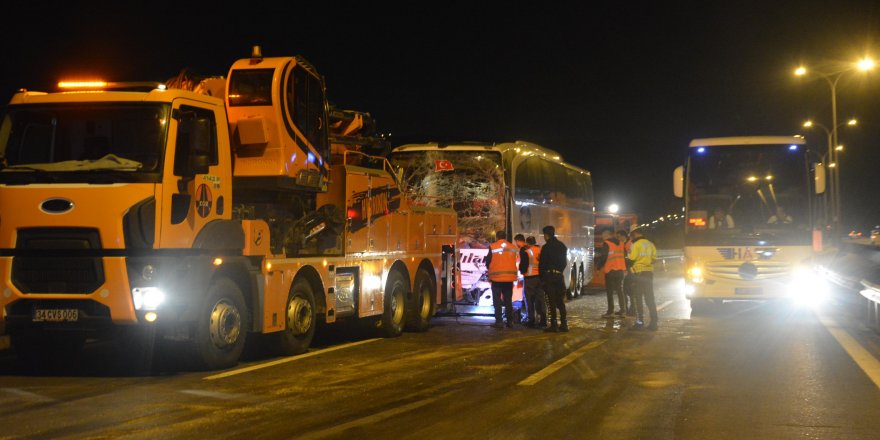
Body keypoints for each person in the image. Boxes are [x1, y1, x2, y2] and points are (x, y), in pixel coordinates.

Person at [484, 230, 519, 328]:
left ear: (497, 237)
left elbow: (488, 261)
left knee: (497, 301)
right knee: (508, 301)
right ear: (505, 236)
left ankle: (499, 322)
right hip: (509, 279)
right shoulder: (513, 247)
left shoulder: (493, 246)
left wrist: (490, 269)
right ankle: (510, 321)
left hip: (496, 279)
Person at [627, 226, 658, 331]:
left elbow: (631, 259)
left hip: (638, 274)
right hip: (649, 274)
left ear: (634, 234)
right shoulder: (650, 244)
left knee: (638, 299)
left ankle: (640, 323)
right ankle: (654, 323)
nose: (630, 238)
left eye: (631, 235)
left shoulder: (635, 245)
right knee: (650, 299)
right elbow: (654, 260)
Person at [540, 225, 569, 332]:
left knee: (551, 301)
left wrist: (542, 278)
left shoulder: (546, 247)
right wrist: (559, 271)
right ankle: (564, 323)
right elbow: (564, 263)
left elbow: (542, 264)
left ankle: (554, 324)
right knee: (560, 301)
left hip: (549, 276)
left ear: (546, 235)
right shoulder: (562, 246)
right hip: (559, 276)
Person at [598, 229, 627, 318]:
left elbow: (604, 257)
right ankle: (623, 311)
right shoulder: (621, 243)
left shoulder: (607, 243)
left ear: (607, 235)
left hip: (610, 270)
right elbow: (624, 255)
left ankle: (610, 311)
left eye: (603, 236)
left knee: (610, 292)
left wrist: (598, 267)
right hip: (620, 270)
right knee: (620, 291)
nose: (602, 238)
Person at [519, 236, 547, 328]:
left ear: (527, 243)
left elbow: (523, 266)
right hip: (540, 278)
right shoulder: (541, 250)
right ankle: (543, 320)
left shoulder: (527, 252)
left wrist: (522, 271)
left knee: (529, 299)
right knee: (540, 299)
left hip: (530, 278)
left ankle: (531, 319)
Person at [616, 229, 637, 316]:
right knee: (625, 290)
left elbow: (631, 259)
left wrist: (628, 269)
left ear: (622, 236)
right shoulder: (624, 244)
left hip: (630, 271)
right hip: (626, 270)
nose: (617, 238)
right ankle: (626, 309)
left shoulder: (629, 244)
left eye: (618, 236)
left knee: (630, 291)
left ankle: (632, 310)